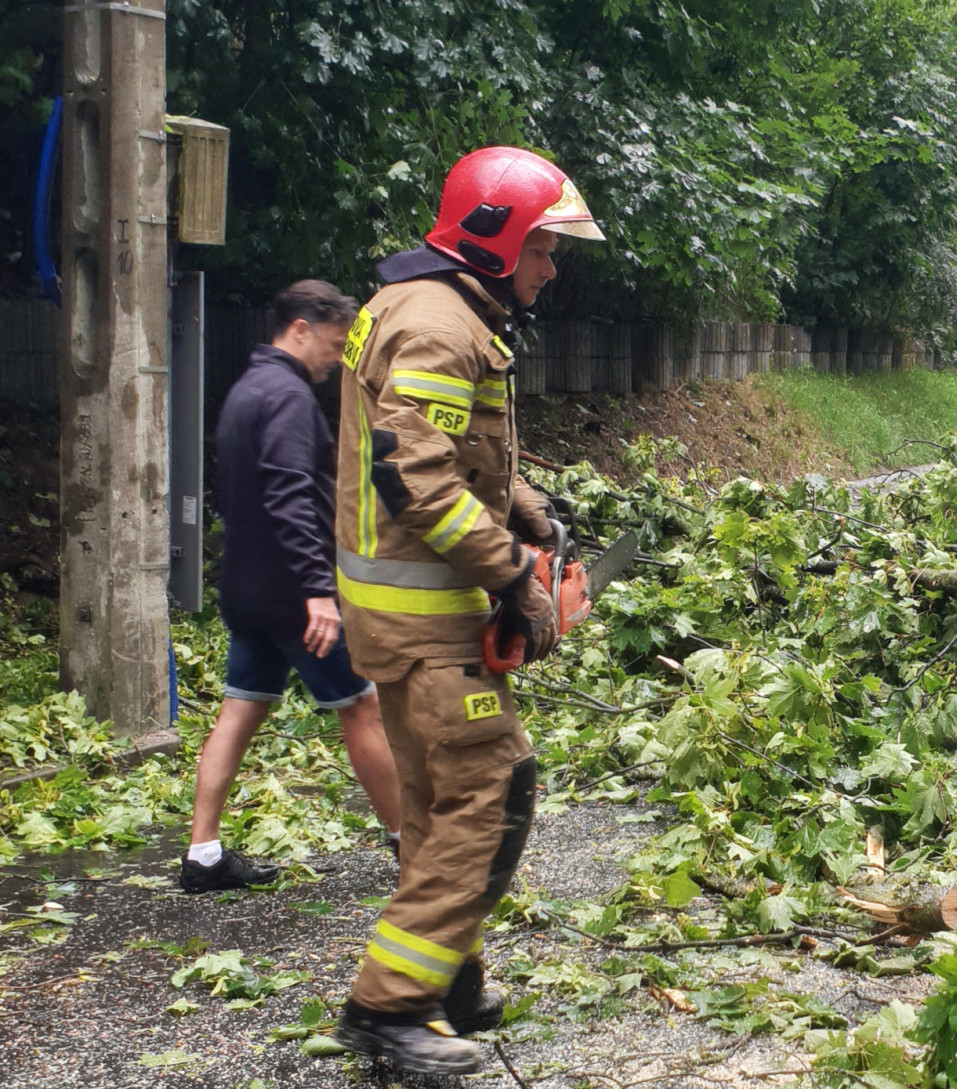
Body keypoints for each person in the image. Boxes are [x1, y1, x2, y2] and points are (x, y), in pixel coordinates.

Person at [331, 147, 604, 1074]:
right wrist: (514, 578)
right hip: (429, 613)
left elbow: (447, 450)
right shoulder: (442, 326)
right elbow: (418, 479)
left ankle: (444, 977)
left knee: (438, 798)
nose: (551, 268)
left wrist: (528, 510)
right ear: (496, 238)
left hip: (401, 613)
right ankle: (387, 1008)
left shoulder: (427, 308)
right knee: (493, 788)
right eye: (544, 248)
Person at [180, 281, 402, 895]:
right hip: (293, 596)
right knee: (361, 706)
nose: (336, 358)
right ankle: (411, 842)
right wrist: (317, 590)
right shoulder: (288, 396)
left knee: (240, 707)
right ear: (300, 328)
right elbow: (289, 494)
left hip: (246, 588)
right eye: (333, 343)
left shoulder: (247, 389)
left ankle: (203, 854)